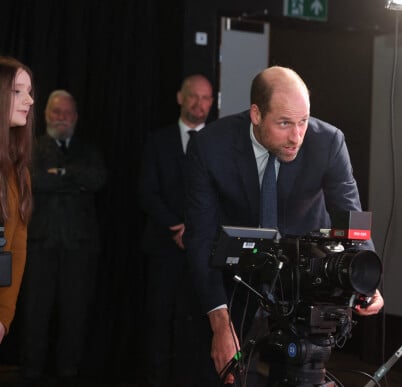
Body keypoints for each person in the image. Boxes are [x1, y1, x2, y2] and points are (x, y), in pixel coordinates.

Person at [183, 66, 384, 385]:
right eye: (284, 123)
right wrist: (220, 323)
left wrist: (366, 280)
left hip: (302, 283)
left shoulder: (328, 142)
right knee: (223, 375)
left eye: (303, 121)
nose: (296, 137)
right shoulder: (210, 147)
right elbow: (200, 237)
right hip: (236, 282)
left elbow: (350, 214)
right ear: (256, 114)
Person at [19, 90, 107, 383]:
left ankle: (68, 372)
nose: (62, 118)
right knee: (36, 313)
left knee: (75, 314)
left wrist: (59, 174)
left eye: (67, 113)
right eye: (57, 112)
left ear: (76, 117)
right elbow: (34, 179)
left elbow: (97, 179)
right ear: (45, 115)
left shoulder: (88, 150)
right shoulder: (31, 147)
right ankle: (31, 371)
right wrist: (70, 179)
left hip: (79, 248)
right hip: (40, 244)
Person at [139, 74, 214, 386]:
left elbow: (225, 196)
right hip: (163, 248)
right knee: (160, 321)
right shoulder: (157, 140)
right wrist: (176, 227)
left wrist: (197, 232)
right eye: (193, 96)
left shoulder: (220, 141)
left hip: (206, 252)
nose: (199, 104)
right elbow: (146, 192)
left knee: (200, 324)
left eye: (206, 97)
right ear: (180, 98)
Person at [0, 56, 34, 345]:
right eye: (18, 91)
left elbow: (15, 249)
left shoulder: (16, 169)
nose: (30, 100)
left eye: (30, 91)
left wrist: (3, 316)